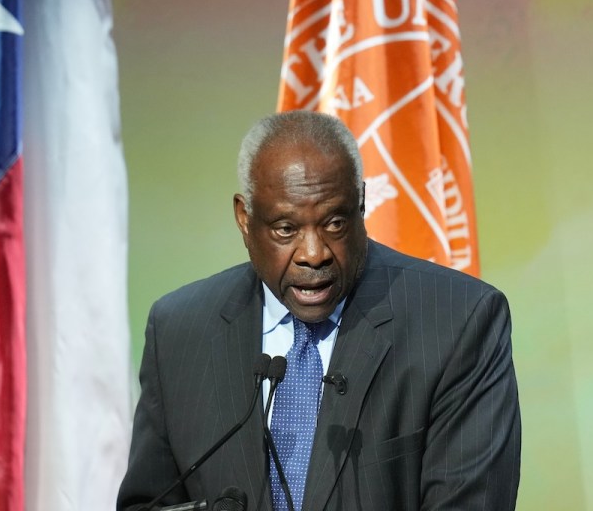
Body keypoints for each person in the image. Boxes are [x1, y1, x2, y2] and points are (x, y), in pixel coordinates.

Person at [117, 111, 521, 510]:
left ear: (360, 204)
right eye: (286, 229)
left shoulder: (458, 322)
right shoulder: (179, 331)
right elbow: (148, 503)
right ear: (244, 218)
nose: (314, 254)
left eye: (334, 223)